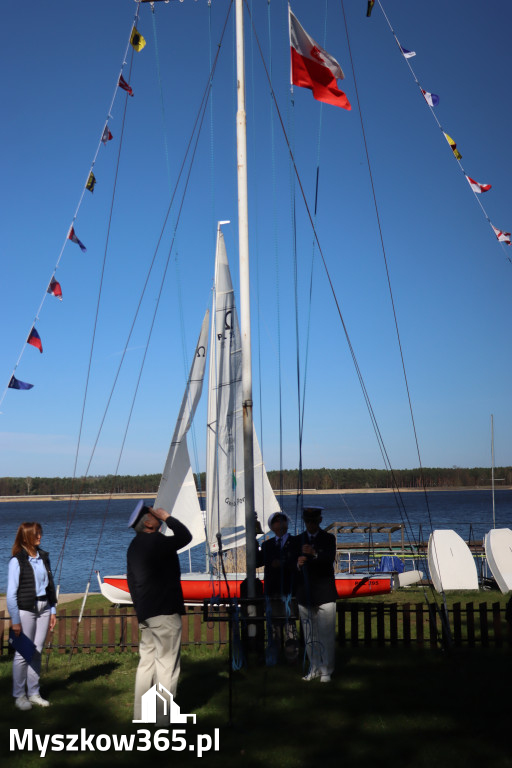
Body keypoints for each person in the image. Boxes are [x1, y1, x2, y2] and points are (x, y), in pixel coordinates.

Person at [126, 501, 192, 723]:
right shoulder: (157, 541)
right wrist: (168, 518)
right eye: (152, 513)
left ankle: (141, 715)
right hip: (165, 611)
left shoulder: (134, 546)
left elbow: (132, 582)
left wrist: (140, 609)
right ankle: (163, 720)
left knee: (147, 664)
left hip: (146, 613)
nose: (156, 514)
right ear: (148, 523)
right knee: (167, 665)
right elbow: (185, 537)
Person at [7, 521, 57, 710]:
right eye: (36, 534)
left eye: (40, 533)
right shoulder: (17, 561)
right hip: (26, 609)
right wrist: (15, 621)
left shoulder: (43, 557)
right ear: (26, 537)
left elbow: (49, 586)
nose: (40, 537)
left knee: (37, 651)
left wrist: (52, 610)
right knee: (23, 653)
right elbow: (11, 594)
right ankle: (19, 695)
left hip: (44, 607)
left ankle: (34, 693)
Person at [295, 506, 337, 683]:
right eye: (307, 521)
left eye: (313, 521)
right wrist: (297, 563)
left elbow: (329, 558)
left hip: (324, 592)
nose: (310, 524)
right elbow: (291, 565)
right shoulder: (298, 540)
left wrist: (314, 554)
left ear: (320, 521)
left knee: (326, 634)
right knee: (309, 634)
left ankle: (326, 669)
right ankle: (314, 667)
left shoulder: (328, 538)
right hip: (305, 593)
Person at [256, 511, 298, 662]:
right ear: (271, 526)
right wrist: (253, 538)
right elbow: (256, 562)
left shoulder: (295, 542)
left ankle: (291, 656)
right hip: (272, 591)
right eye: (276, 522)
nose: (280, 524)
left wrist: (283, 563)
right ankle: (273, 657)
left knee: (290, 625)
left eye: (282, 520)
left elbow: (297, 562)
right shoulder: (267, 545)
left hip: (289, 590)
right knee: (273, 626)